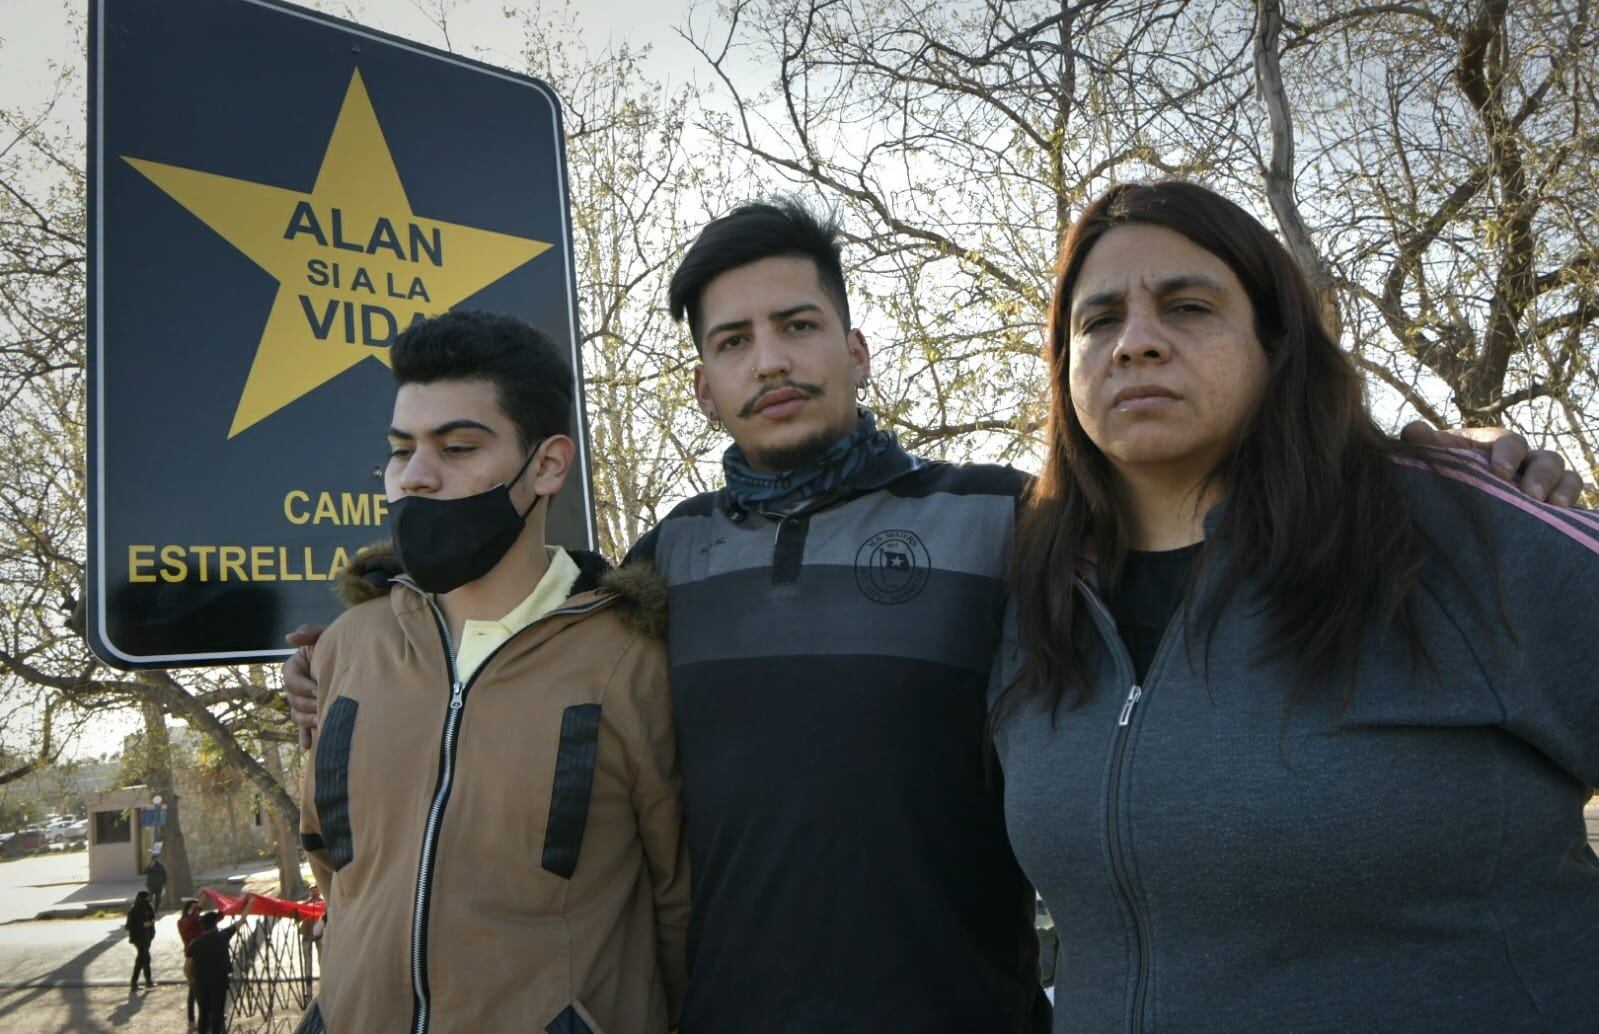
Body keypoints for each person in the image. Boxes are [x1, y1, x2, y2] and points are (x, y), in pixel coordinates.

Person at [283, 201, 1583, 1030]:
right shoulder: (662, 563)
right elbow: (519, 657)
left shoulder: (1007, 524)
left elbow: (1183, 548)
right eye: (732, 341)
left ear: (857, 349)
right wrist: (357, 660)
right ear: (700, 384)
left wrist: (1465, 461)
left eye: (799, 324)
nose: (770, 359)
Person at [990, 180, 1599, 1032]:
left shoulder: (1456, 531)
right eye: (1096, 322)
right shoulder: (1030, 595)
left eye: (1188, 306)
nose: (1134, 343)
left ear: (1276, 344)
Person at [295, 310, 688, 1034]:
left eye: (457, 447)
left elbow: (677, 906)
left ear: (546, 465)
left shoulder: (633, 662)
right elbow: (333, 864)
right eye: (402, 449)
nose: (415, 476)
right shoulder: (347, 646)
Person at [185, 910, 240, 1034]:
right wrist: (249, 904)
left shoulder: (195, 943)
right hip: (219, 981)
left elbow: (187, 967)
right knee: (217, 1011)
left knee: (203, 1012)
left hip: (201, 982)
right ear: (215, 925)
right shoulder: (222, 936)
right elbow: (238, 924)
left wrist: (191, 980)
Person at [177, 899, 204, 1026]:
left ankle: (196, 1019)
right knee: (194, 989)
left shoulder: (196, 921)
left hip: (199, 955)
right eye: (194, 908)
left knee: (197, 989)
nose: (197, 910)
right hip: (192, 956)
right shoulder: (185, 922)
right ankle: (192, 1019)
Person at [124, 890, 156, 991]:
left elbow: (152, 917)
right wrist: (142, 925)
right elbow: (128, 926)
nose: (148, 900)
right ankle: (144, 981)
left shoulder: (149, 907)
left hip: (148, 937)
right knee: (144, 959)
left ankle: (140, 982)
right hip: (139, 938)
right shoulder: (133, 911)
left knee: (142, 959)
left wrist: (152, 922)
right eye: (146, 898)